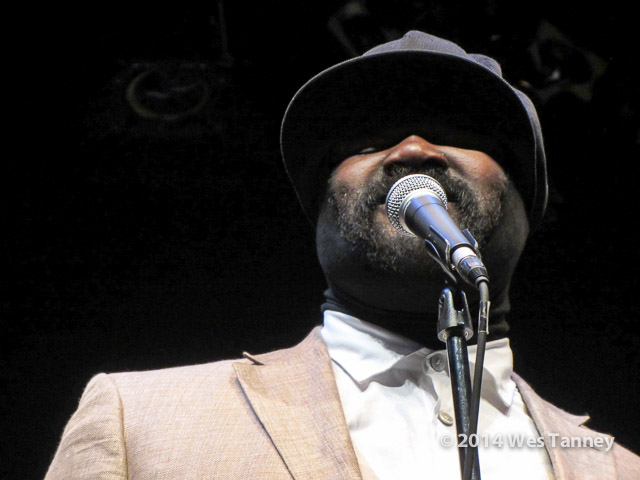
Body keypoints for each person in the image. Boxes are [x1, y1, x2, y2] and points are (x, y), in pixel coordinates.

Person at [45, 31, 639, 480]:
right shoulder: (139, 419)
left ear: (529, 206)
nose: (411, 150)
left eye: (457, 132)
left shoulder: (616, 468)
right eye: (365, 141)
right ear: (321, 214)